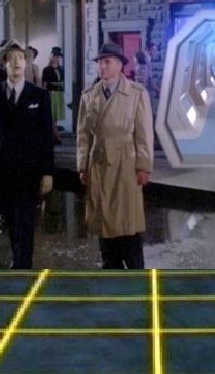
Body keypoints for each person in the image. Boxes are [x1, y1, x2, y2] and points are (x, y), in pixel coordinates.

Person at [0, 42, 54, 269]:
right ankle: (17, 257)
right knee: (10, 218)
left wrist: (47, 172)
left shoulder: (39, 95)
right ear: (4, 65)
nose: (17, 62)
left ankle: (23, 264)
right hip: (3, 168)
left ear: (26, 63)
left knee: (26, 218)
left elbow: (46, 137)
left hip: (30, 170)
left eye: (21, 58)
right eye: (12, 58)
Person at [76, 42, 154, 269]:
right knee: (104, 224)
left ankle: (136, 275)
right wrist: (82, 165)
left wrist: (144, 166)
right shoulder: (89, 96)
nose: (102, 66)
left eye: (107, 62)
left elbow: (144, 133)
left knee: (127, 224)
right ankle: (111, 272)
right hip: (99, 163)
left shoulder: (136, 93)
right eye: (100, 62)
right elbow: (83, 135)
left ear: (120, 65)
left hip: (126, 163)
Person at [42, 47, 65, 143]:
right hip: (51, 93)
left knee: (56, 116)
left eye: (58, 57)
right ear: (51, 57)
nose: (56, 58)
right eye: (55, 56)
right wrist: (44, 95)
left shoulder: (61, 69)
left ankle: (54, 135)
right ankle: (55, 135)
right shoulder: (47, 69)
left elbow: (62, 81)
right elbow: (44, 84)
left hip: (59, 94)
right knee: (51, 115)